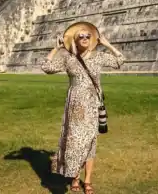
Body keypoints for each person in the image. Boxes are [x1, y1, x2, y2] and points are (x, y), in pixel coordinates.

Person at [41, 21, 126, 194]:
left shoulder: (98, 56)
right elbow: (46, 67)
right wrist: (56, 49)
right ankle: (74, 178)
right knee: (75, 143)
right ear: (75, 40)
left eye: (88, 36)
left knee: (89, 143)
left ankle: (87, 181)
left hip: (92, 106)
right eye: (81, 36)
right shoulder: (68, 59)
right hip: (75, 108)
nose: (85, 38)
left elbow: (120, 60)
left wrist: (107, 44)